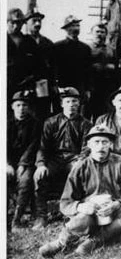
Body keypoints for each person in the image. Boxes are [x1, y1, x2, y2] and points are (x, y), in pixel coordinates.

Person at [38, 124, 121, 257]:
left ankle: (93, 242)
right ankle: (62, 242)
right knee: (83, 218)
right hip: (91, 215)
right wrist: (81, 206)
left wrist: (117, 203)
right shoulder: (80, 167)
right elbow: (66, 202)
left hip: (115, 213)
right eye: (96, 142)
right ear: (89, 144)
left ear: (110, 144)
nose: (100, 146)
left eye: (105, 142)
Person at [34, 87, 92, 229]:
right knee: (40, 176)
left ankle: (71, 212)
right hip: (55, 159)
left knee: (78, 172)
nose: (71, 104)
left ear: (79, 104)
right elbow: (43, 147)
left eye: (74, 101)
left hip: (74, 158)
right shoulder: (51, 122)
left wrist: (81, 159)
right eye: (67, 101)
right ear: (62, 104)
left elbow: (87, 147)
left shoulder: (85, 124)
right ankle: (41, 216)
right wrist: (41, 164)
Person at [8, 91, 42, 227]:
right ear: (12, 106)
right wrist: (7, 164)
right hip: (9, 162)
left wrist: (22, 165)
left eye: (24, 105)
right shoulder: (6, 123)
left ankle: (17, 219)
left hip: (28, 162)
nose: (21, 108)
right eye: (18, 105)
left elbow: (33, 146)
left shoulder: (35, 124)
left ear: (28, 107)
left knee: (25, 181)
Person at [52, 15, 93, 110]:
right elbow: (53, 68)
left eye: (78, 26)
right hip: (63, 86)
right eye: (72, 26)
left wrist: (88, 89)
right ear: (66, 29)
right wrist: (56, 86)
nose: (76, 28)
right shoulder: (58, 47)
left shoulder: (85, 48)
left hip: (79, 87)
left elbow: (88, 70)